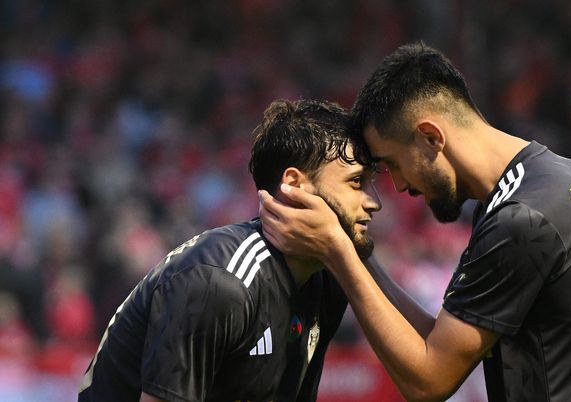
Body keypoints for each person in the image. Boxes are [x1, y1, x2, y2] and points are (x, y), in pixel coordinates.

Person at [259, 43, 571, 401]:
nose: (400, 185)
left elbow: (428, 382)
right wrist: (355, 247)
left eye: (392, 164)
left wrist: (336, 251)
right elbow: (439, 340)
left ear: (430, 137)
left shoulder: (521, 221)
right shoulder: (560, 177)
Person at [78, 99, 385, 402]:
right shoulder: (219, 283)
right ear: (295, 184)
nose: (374, 202)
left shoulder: (327, 280)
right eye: (356, 182)